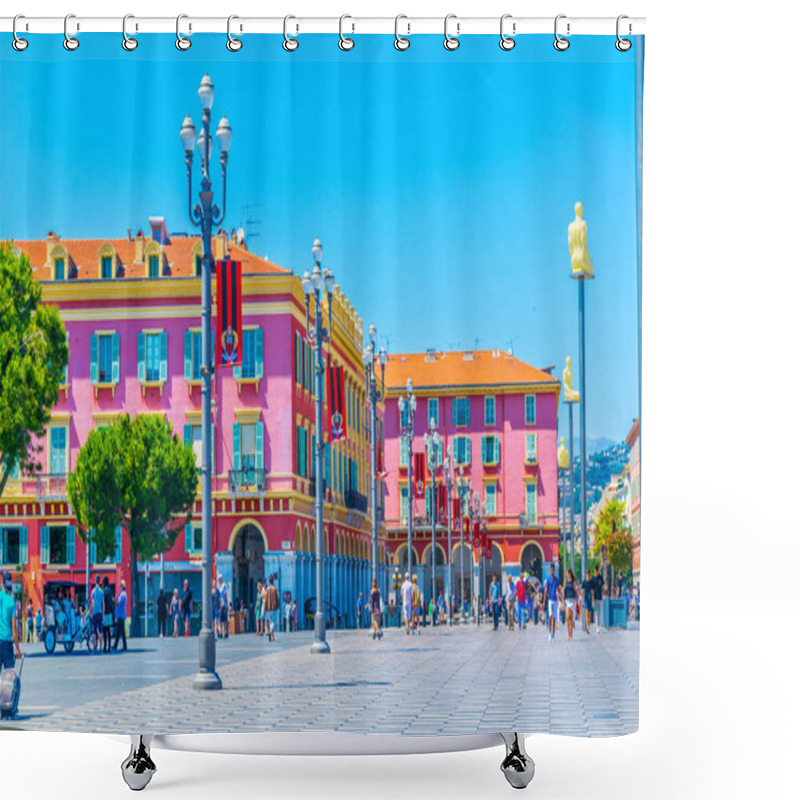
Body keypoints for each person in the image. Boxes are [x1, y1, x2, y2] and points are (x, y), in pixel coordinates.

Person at [0, 573, 22, 675]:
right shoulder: (11, 602)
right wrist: (17, 649)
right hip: (7, 643)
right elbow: (14, 627)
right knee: (9, 677)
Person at [544, 565, 561, 642]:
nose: (552, 571)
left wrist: (560, 596)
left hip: (555, 600)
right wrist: (544, 601)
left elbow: (559, 588)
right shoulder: (548, 579)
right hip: (550, 600)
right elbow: (546, 590)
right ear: (550, 570)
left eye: (553, 570)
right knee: (550, 616)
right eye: (551, 570)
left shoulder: (556, 580)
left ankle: (553, 634)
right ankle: (549, 633)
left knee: (554, 617)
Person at [112, 579, 128, 651]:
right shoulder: (123, 594)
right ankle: (116, 645)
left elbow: (119, 603)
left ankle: (124, 646)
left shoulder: (123, 594)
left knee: (122, 632)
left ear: (122, 586)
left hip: (120, 615)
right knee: (118, 631)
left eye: (120, 586)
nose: (119, 587)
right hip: (120, 615)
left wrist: (114, 600)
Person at [264, 575, 279, 642]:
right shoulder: (275, 588)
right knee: (273, 622)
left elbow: (266, 599)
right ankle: (271, 633)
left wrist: (265, 608)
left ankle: (272, 635)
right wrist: (279, 605)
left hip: (268, 608)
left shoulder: (267, 589)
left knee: (270, 621)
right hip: (274, 607)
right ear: (273, 580)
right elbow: (277, 598)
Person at [563, 568, 577, 642]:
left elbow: (575, 592)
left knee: (571, 619)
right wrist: (562, 602)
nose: (566, 574)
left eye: (567, 573)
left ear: (569, 573)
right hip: (567, 600)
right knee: (567, 617)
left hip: (572, 600)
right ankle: (568, 633)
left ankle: (571, 634)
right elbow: (564, 592)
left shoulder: (573, 582)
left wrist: (576, 602)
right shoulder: (565, 582)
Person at [102, 576, 114, 652]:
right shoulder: (110, 591)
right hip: (109, 612)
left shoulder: (103, 591)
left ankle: (105, 647)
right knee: (108, 631)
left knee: (104, 630)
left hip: (104, 612)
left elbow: (102, 602)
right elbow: (112, 600)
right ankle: (109, 647)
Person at [581, 569, 594, 634]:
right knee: (586, 613)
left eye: (588, 574)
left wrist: (593, 600)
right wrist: (582, 601)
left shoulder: (591, 582)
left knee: (589, 614)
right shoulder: (584, 582)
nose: (587, 575)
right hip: (585, 599)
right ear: (585, 575)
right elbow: (582, 592)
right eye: (587, 574)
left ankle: (588, 626)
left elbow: (592, 591)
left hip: (590, 599)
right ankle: (587, 628)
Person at [593, 566, 604, 632]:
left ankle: (598, 625)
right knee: (596, 611)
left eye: (597, 570)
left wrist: (603, 595)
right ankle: (597, 625)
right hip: (595, 597)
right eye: (595, 570)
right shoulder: (593, 578)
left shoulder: (600, 578)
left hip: (599, 596)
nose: (596, 572)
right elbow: (592, 589)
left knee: (599, 612)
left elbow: (602, 587)